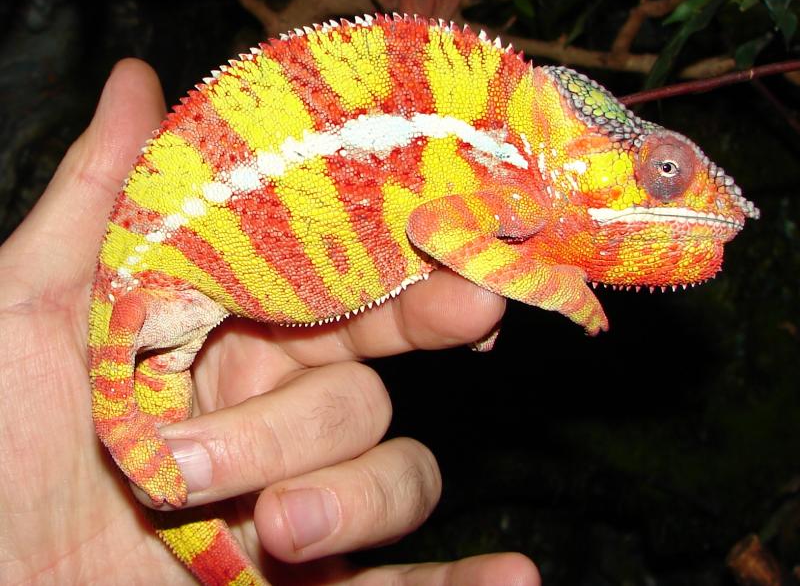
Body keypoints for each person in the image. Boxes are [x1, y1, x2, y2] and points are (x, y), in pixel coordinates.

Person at [0, 59, 540, 585]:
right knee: (129, 318)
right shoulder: (486, 141)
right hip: (158, 276)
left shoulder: (477, 150)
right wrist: (119, 423)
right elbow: (124, 312)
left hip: (193, 303)